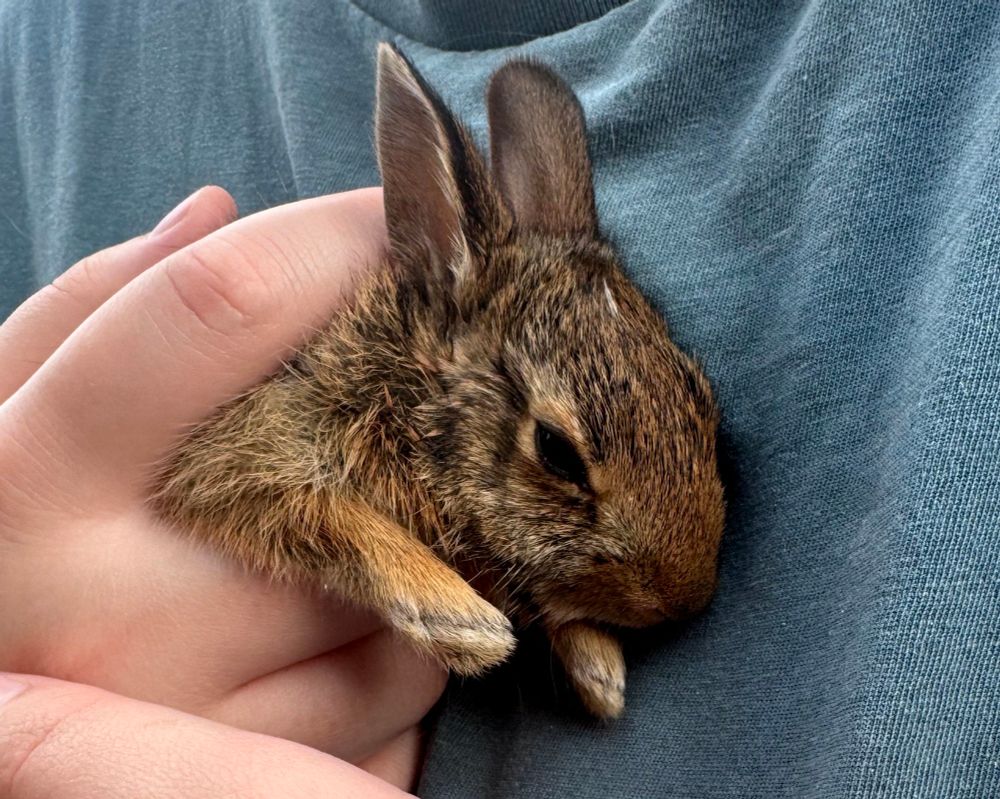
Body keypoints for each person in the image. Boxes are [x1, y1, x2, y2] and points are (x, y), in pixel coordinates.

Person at [1, 2, 997, 797]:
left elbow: (495, 536)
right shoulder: (45, 53)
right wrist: (401, 574)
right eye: (561, 462)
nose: (687, 597)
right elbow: (254, 477)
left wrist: (570, 618)